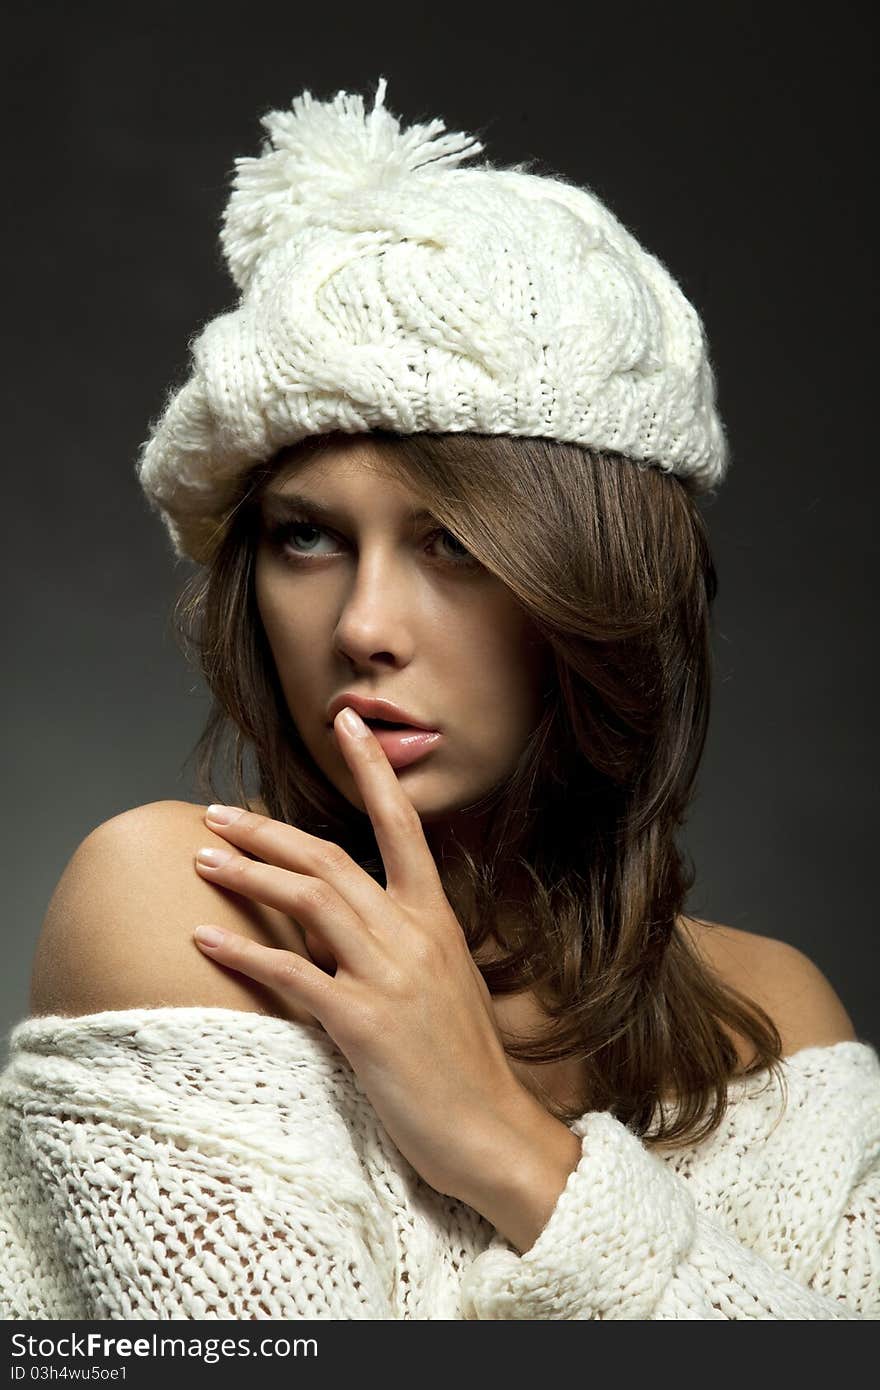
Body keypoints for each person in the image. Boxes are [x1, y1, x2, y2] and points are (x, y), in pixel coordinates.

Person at [0, 77, 877, 1321]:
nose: (361, 626)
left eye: (452, 544)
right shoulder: (184, 914)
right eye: (307, 539)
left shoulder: (772, 1025)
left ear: (595, 578)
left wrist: (507, 1146)